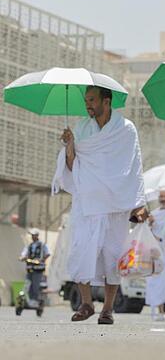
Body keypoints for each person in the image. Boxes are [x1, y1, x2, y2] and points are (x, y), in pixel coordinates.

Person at [52, 85, 147, 325]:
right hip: (87, 204)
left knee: (113, 256)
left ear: (107, 101)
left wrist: (139, 203)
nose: (88, 104)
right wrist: (70, 145)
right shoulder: (82, 128)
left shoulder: (126, 129)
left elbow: (134, 166)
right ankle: (86, 304)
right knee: (81, 250)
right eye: (86, 100)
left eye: (92, 100)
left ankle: (107, 308)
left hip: (116, 204)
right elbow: (73, 167)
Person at [146, 190, 165, 321]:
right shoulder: (154, 214)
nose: (163, 198)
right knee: (157, 282)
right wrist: (150, 224)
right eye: (161, 196)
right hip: (157, 252)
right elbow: (146, 233)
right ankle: (159, 311)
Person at [19, 228, 50, 313]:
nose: (33, 237)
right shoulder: (29, 245)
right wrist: (22, 257)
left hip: (38, 269)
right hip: (30, 269)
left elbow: (47, 253)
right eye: (32, 235)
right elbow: (24, 253)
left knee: (36, 286)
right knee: (28, 284)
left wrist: (42, 260)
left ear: (37, 236)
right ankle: (29, 300)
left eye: (34, 235)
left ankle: (35, 301)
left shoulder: (42, 245)